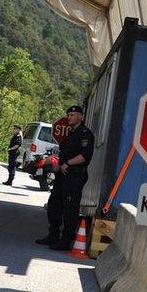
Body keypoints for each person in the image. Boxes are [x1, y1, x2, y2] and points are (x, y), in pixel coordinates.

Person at [36, 105, 95, 251]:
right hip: (62, 175)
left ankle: (66, 240)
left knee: (70, 209)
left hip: (75, 175)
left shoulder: (86, 134)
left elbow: (84, 156)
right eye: (68, 115)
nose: (69, 117)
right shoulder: (70, 134)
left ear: (80, 116)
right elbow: (65, 153)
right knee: (54, 205)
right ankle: (53, 235)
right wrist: (57, 163)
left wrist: (68, 163)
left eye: (73, 115)